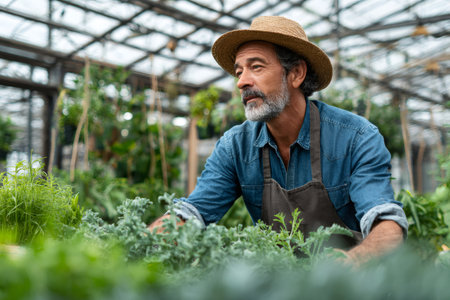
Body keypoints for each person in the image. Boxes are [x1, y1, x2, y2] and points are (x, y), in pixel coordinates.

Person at [149, 16, 407, 264]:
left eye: (256, 67)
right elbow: (192, 213)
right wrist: (133, 243)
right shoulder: (235, 147)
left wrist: (352, 263)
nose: (241, 81)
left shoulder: (355, 137)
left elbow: (385, 221)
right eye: (239, 71)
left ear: (296, 74)